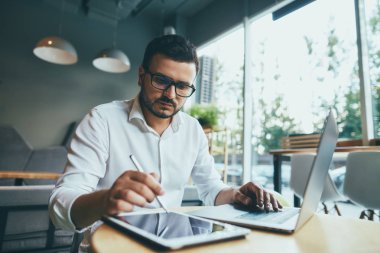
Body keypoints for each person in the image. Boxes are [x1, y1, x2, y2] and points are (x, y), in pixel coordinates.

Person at [49, 34, 282, 248]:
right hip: (112, 246)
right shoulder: (101, 120)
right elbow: (60, 205)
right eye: (161, 80)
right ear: (142, 76)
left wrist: (236, 194)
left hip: (175, 246)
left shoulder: (193, 130)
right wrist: (104, 201)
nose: (170, 95)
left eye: (182, 86)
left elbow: (211, 189)